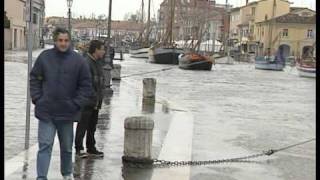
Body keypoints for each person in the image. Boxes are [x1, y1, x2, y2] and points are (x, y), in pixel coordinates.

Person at [30, 27, 93, 180]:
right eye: (60, 40)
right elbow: (34, 79)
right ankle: (41, 177)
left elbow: (86, 85)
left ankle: (66, 174)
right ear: (55, 41)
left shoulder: (78, 60)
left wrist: (76, 103)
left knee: (66, 148)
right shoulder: (44, 57)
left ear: (69, 41)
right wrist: (38, 98)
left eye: (66, 40)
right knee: (45, 146)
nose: (63, 43)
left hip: (67, 113)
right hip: (47, 112)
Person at [75, 40, 105, 158]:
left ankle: (91, 147)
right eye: (102, 49)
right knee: (83, 125)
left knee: (92, 126)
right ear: (96, 50)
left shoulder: (98, 62)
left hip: (95, 101)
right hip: (87, 101)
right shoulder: (86, 63)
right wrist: (92, 96)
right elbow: (86, 83)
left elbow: (99, 82)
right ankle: (79, 148)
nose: (103, 52)